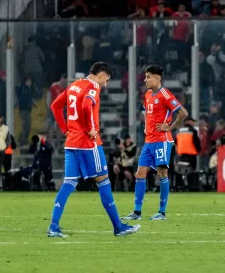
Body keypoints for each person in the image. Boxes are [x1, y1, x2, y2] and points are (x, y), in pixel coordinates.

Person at [48, 61, 140, 237]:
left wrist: (65, 129)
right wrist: (90, 127)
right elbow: (86, 105)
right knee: (103, 181)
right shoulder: (93, 86)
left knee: (69, 183)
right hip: (88, 143)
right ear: (101, 75)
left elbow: (55, 106)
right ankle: (118, 227)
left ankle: (53, 226)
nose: (105, 84)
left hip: (71, 143)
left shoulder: (74, 85)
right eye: (106, 80)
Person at [122, 65, 188, 221]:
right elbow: (148, 113)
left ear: (158, 78)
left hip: (162, 141)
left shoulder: (165, 94)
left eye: (148, 77)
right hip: (149, 141)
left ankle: (162, 212)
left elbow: (183, 112)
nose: (145, 80)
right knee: (139, 173)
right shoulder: (148, 94)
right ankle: (137, 213)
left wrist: (169, 127)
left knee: (162, 173)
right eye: (145, 77)